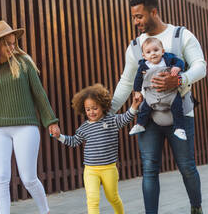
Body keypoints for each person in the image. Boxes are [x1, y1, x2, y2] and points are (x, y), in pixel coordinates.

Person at [110, 0, 207, 214]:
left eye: (139, 16)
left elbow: (200, 66)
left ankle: (196, 207)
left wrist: (180, 78)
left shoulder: (180, 35)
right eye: (134, 17)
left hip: (180, 114)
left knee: (187, 167)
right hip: (149, 117)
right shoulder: (135, 47)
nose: (136, 21)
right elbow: (126, 81)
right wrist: (109, 112)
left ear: (154, 12)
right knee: (149, 169)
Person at [0, 20, 60, 214]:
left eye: (14, 43)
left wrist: (51, 121)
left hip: (26, 126)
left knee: (28, 177)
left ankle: (45, 211)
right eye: (8, 44)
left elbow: (39, 95)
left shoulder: (24, 63)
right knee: (1, 178)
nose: (13, 47)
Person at [50, 83, 142, 214]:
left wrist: (134, 106)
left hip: (109, 169)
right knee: (92, 200)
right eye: (88, 109)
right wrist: (59, 136)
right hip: (90, 170)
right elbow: (74, 141)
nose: (91, 112)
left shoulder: (111, 120)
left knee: (113, 198)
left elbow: (126, 118)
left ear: (102, 106)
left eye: (95, 108)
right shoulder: (84, 128)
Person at [129, 37, 186, 136]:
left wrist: (177, 67)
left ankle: (179, 128)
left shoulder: (168, 59)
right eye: (148, 52)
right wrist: (137, 91)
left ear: (162, 51)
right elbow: (138, 79)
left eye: (156, 50)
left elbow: (180, 62)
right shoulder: (144, 66)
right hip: (152, 95)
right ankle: (140, 124)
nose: (153, 53)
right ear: (144, 56)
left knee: (177, 107)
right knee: (145, 108)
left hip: (170, 93)